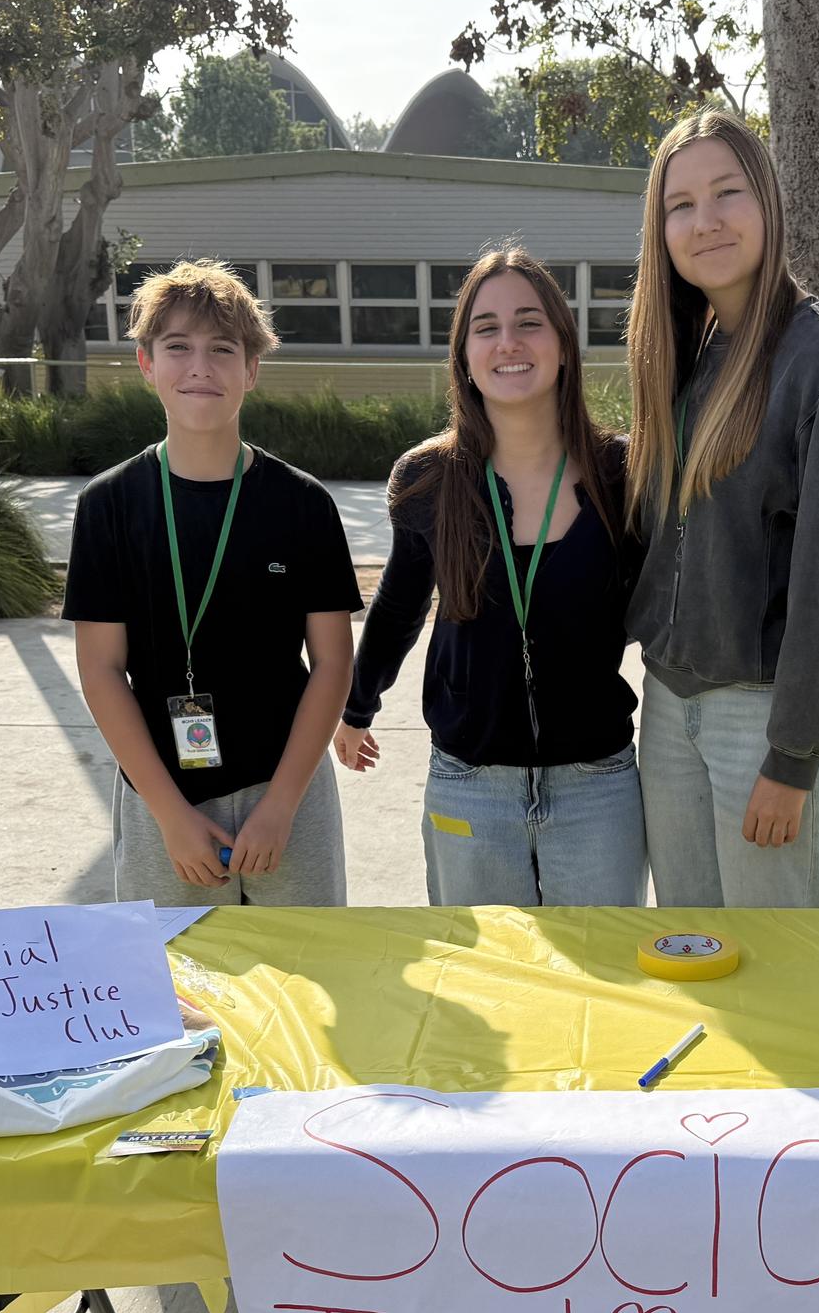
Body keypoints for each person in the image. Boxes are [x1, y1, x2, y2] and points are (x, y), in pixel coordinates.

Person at [626, 105, 819, 909]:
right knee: (696, 952)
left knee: (779, 967)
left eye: (727, 193)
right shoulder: (693, 354)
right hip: (669, 710)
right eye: (680, 204)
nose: (704, 221)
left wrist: (795, 757)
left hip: (766, 719)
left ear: (768, 202)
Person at [333, 248, 643, 906]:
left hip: (597, 784)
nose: (508, 343)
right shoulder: (429, 478)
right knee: (483, 969)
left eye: (529, 323)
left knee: (602, 965)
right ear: (465, 356)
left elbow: (662, 607)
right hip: (471, 784)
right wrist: (357, 707)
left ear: (564, 343)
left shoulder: (622, 474)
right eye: (486, 328)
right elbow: (398, 607)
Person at [68, 260, 359, 907]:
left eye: (222, 349)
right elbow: (101, 669)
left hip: (287, 791)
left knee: (303, 964)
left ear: (251, 369)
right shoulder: (109, 505)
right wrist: (171, 817)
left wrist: (281, 805)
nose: (200, 367)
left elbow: (333, 663)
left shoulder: (302, 504)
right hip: (162, 795)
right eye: (178, 347)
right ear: (146, 364)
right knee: (176, 968)